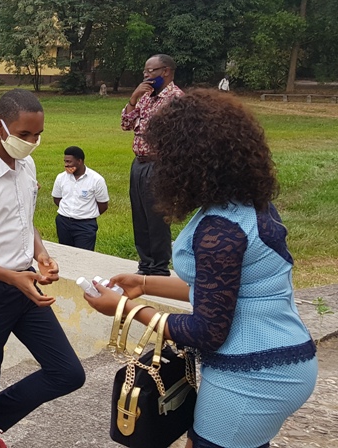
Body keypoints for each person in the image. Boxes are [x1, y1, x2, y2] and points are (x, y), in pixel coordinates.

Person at [85, 90, 318, 448]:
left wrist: (124, 309)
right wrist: (145, 283)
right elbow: (220, 290)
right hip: (283, 359)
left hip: (250, 373)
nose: (158, 163)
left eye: (164, 154)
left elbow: (207, 331)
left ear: (191, 159)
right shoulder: (250, 207)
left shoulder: (219, 230)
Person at [0, 89, 85, 448]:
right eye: (24, 135)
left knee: (67, 373)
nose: (32, 142)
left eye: (37, 135)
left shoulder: (27, 165)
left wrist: (40, 253)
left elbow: (25, 220)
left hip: (25, 285)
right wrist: (11, 276)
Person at [122, 54, 184, 276]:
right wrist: (133, 98)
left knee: (156, 217)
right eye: (145, 72)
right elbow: (125, 124)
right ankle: (145, 263)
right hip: (139, 164)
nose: (146, 75)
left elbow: (181, 137)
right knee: (140, 215)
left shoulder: (176, 99)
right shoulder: (146, 97)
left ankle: (159, 267)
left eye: (151, 71)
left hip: (159, 165)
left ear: (165, 71)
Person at [51, 146, 109, 252]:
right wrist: (68, 211)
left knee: (84, 257)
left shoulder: (96, 180)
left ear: (79, 161)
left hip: (85, 226)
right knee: (65, 254)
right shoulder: (61, 177)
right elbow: (56, 198)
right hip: (63, 223)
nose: (66, 165)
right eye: (65, 161)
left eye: (69, 162)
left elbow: (103, 205)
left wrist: (85, 214)